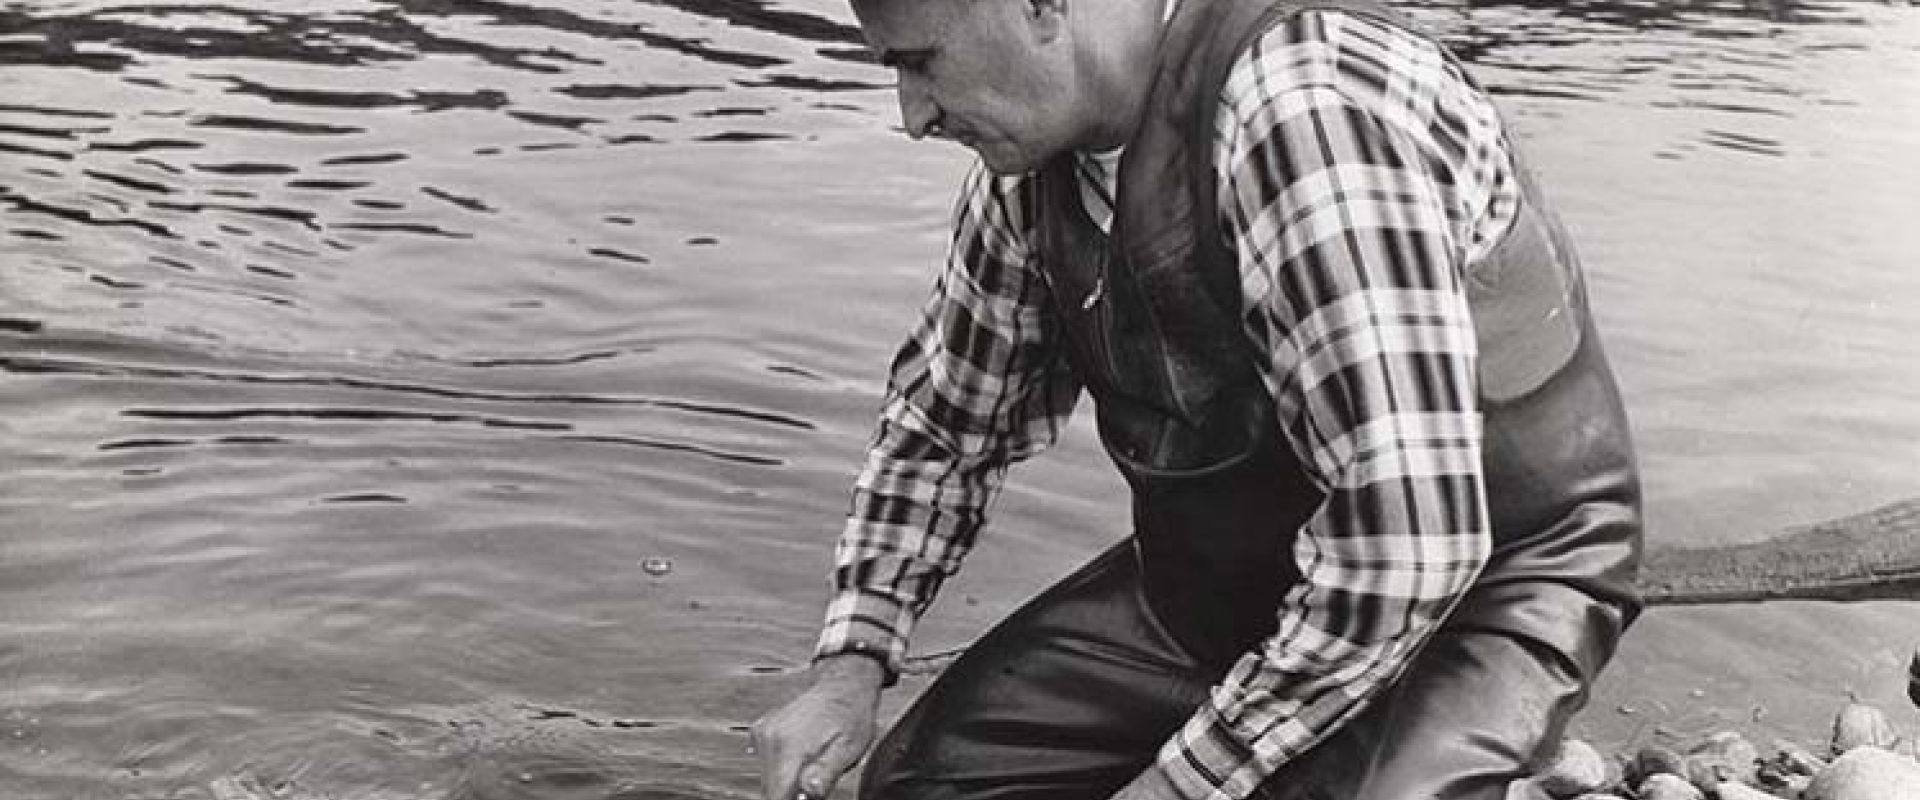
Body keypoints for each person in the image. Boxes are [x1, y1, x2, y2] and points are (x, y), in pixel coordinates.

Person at [752, 0, 1643, 797]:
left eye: (920, 61)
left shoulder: (1305, 109)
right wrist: (851, 663)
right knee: (918, 787)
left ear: (1041, 6)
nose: (912, 117)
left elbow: (1412, 548)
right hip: (1224, 584)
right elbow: (944, 431)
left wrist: (1178, 783)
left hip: (1476, 589)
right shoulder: (1027, 161)